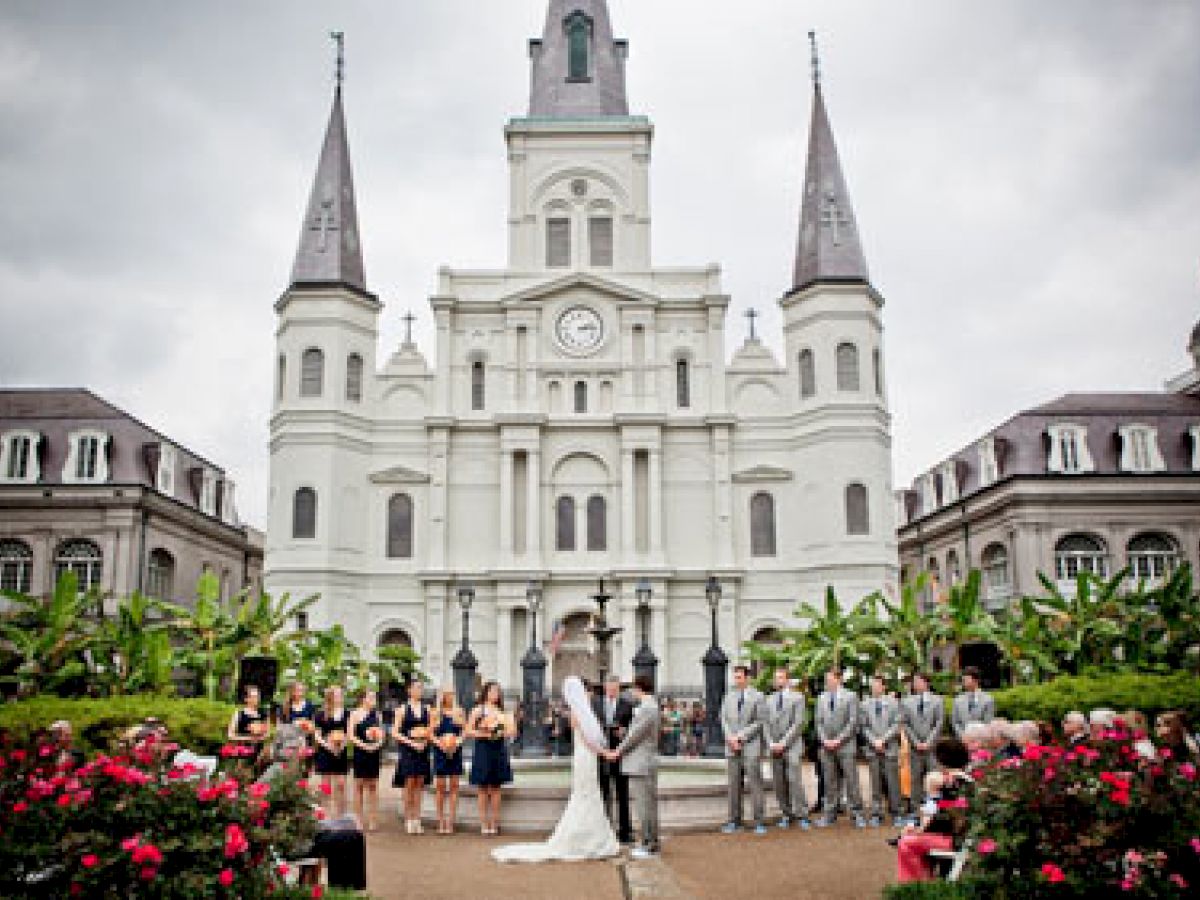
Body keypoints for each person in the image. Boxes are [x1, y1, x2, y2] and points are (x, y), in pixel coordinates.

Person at [492, 676, 620, 863]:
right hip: (586, 756)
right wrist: (605, 753)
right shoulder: (578, 713)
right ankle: (586, 838)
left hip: (587, 758)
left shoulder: (580, 712)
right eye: (584, 690)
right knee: (585, 793)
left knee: (589, 793)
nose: (588, 693)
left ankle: (591, 836)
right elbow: (588, 740)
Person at [895, 738, 972, 883]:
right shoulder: (963, 780)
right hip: (951, 836)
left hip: (954, 839)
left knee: (906, 843)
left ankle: (916, 886)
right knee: (908, 838)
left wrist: (920, 830)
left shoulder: (952, 783)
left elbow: (945, 819)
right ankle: (922, 881)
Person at [608, 675, 661, 859]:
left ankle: (648, 844)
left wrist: (618, 751)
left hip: (641, 762)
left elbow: (634, 737)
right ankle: (651, 842)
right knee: (649, 804)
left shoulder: (647, 707)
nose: (631, 693)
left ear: (639, 688)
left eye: (632, 689)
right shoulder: (650, 706)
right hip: (645, 760)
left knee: (644, 805)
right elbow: (637, 732)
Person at [720, 664, 766, 834]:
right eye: (735, 677)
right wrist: (731, 738)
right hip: (731, 746)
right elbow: (723, 718)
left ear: (748, 678)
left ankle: (759, 820)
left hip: (750, 746)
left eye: (739, 677)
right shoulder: (728, 696)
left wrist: (740, 737)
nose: (736, 680)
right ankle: (734, 820)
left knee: (755, 784)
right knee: (733, 786)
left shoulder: (758, 697)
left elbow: (760, 721)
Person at [815, 667, 864, 828]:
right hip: (826, 746)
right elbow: (818, 722)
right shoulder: (821, 698)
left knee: (852, 781)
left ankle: (857, 814)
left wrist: (838, 740)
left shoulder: (851, 696)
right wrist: (825, 740)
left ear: (839, 679)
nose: (827, 682)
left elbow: (853, 721)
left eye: (830, 679)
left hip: (846, 746)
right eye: (826, 680)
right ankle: (830, 814)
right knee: (829, 782)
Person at [763, 667, 809, 830]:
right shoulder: (768, 699)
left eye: (781, 678)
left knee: (794, 780)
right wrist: (770, 743)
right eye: (776, 678)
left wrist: (783, 743)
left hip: (791, 746)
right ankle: (786, 814)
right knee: (779, 782)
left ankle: (802, 814)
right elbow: (765, 724)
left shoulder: (798, 698)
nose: (777, 680)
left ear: (787, 680)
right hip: (774, 746)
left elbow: (798, 724)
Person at [592, 674, 635, 845]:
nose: (611, 691)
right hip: (601, 754)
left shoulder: (627, 705)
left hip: (619, 753)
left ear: (618, 689)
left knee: (622, 793)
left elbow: (633, 727)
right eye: (609, 688)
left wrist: (624, 731)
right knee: (603, 793)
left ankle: (625, 832)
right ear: (604, 688)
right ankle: (605, 830)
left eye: (614, 689)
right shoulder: (595, 703)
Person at [468, 681, 515, 835]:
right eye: (492, 691)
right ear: (486, 692)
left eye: (497, 692)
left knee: (495, 787)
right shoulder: (477, 710)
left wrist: (499, 732)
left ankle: (495, 822)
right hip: (482, 749)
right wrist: (484, 732)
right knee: (482, 787)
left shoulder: (503, 712)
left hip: (498, 749)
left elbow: (511, 731)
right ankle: (483, 823)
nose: (495, 694)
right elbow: (468, 731)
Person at [861, 674, 902, 827]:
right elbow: (863, 726)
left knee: (893, 782)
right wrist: (874, 741)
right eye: (873, 685)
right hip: (873, 749)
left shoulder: (893, 703)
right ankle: (876, 813)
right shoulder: (865, 704)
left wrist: (883, 740)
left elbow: (896, 724)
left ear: (884, 687)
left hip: (889, 747)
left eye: (877, 685)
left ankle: (897, 812)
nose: (874, 687)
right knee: (875, 783)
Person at [392, 678, 433, 834]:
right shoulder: (402, 709)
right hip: (408, 750)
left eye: (420, 688)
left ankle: (417, 818)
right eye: (416, 688)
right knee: (409, 783)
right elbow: (395, 732)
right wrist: (411, 742)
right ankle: (408, 818)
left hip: (423, 749)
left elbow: (431, 729)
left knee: (420, 784)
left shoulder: (427, 709)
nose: (419, 690)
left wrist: (426, 738)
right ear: (409, 690)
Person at [901, 672, 943, 822]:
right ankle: (914, 810)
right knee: (915, 779)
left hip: (931, 747)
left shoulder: (937, 701)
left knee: (933, 778)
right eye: (914, 681)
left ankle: (934, 809)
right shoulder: (906, 702)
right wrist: (916, 742)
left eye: (918, 681)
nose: (915, 684)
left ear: (926, 683)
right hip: (915, 746)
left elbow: (938, 723)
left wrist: (928, 742)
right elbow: (905, 723)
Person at [349, 689, 384, 832]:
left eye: (374, 697)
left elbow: (382, 734)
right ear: (363, 699)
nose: (373, 699)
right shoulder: (355, 714)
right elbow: (351, 735)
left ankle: (373, 819)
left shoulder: (377, 715)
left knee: (373, 786)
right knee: (359, 786)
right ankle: (358, 820)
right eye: (371, 697)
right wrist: (365, 746)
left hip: (374, 753)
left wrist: (377, 744)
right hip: (360, 752)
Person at [431, 687, 466, 835]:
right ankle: (440, 820)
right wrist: (440, 743)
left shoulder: (459, 712)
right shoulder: (435, 713)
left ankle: (451, 820)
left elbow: (465, 730)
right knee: (440, 787)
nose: (449, 697)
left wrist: (457, 742)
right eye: (446, 695)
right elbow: (430, 733)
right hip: (440, 751)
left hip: (455, 751)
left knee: (454, 786)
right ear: (442, 696)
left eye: (452, 694)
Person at [314, 686, 350, 817]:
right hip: (325, 751)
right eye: (337, 695)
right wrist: (328, 746)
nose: (340, 697)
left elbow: (349, 733)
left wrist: (342, 746)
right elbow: (317, 735)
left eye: (341, 694)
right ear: (330, 697)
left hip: (341, 751)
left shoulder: (347, 714)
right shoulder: (320, 714)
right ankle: (326, 814)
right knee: (326, 785)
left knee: (341, 784)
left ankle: (341, 814)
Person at [950, 667, 994, 739]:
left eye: (966, 679)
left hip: (980, 740)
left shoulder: (988, 699)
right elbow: (955, 722)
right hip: (962, 740)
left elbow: (988, 723)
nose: (963, 682)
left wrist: (976, 738)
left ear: (975, 680)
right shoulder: (958, 699)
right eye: (963, 679)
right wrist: (963, 736)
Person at [228, 684, 270, 750]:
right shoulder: (238, 714)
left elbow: (267, 734)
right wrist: (247, 738)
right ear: (246, 699)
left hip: (259, 751)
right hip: (242, 750)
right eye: (253, 696)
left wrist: (261, 737)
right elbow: (230, 735)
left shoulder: (264, 714)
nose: (256, 699)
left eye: (257, 696)